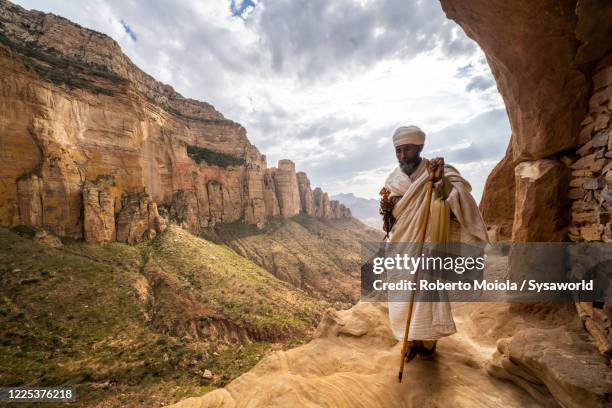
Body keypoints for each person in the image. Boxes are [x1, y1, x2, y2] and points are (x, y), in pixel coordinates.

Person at [380, 125, 488, 361]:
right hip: (403, 244)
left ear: (419, 147)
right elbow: (392, 218)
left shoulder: (439, 170)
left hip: (429, 241)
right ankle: (409, 341)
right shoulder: (393, 179)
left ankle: (427, 344)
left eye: (407, 150)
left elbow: (460, 194)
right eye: (398, 151)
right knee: (403, 294)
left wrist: (440, 183)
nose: (402, 156)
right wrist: (387, 210)